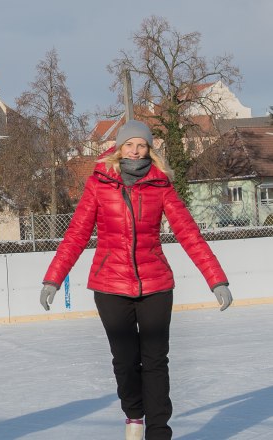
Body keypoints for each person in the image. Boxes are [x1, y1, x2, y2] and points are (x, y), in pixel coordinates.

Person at [39, 121, 232, 440]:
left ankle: (159, 432)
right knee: (125, 361)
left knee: (156, 361)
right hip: (110, 285)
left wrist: (217, 280)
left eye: (141, 145)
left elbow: (188, 233)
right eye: (129, 144)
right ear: (118, 147)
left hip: (155, 284)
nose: (135, 150)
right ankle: (133, 415)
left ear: (149, 149)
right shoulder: (99, 183)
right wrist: (53, 279)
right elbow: (76, 234)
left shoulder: (161, 184)